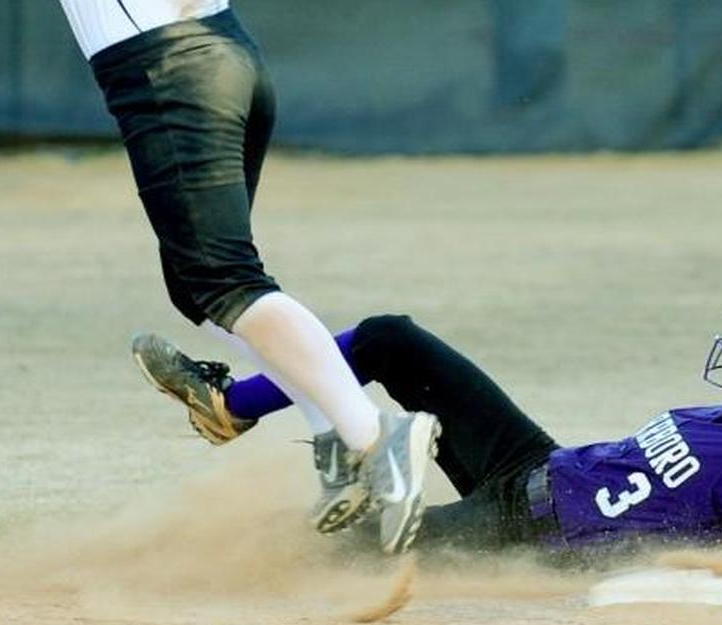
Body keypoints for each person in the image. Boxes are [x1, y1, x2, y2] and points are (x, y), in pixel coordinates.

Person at [55, 0, 440, 551]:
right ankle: (336, 437)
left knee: (227, 284)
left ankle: (377, 438)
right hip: (223, 53)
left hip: (168, 68)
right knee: (196, 286)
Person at [133, 293, 722, 559]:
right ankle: (231, 405)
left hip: (528, 535)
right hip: (532, 467)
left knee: (336, 549)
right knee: (391, 338)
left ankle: (178, 564)